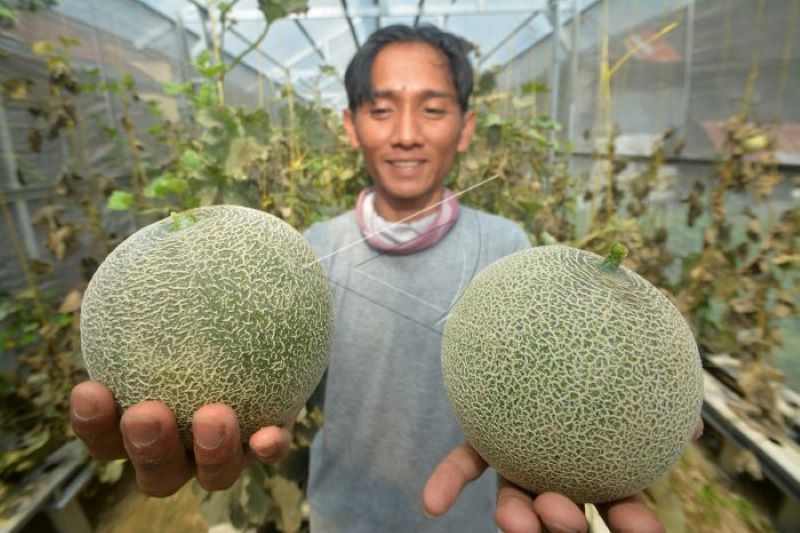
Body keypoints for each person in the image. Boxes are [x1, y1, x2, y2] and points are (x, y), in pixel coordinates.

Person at [70, 24, 700, 532]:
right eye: (381, 109)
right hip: (345, 515)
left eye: (432, 108)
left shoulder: (511, 252)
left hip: (476, 519)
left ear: (466, 126)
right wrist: (243, 411)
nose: (405, 134)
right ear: (351, 125)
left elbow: (566, 362)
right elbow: (272, 376)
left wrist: (647, 391)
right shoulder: (304, 254)